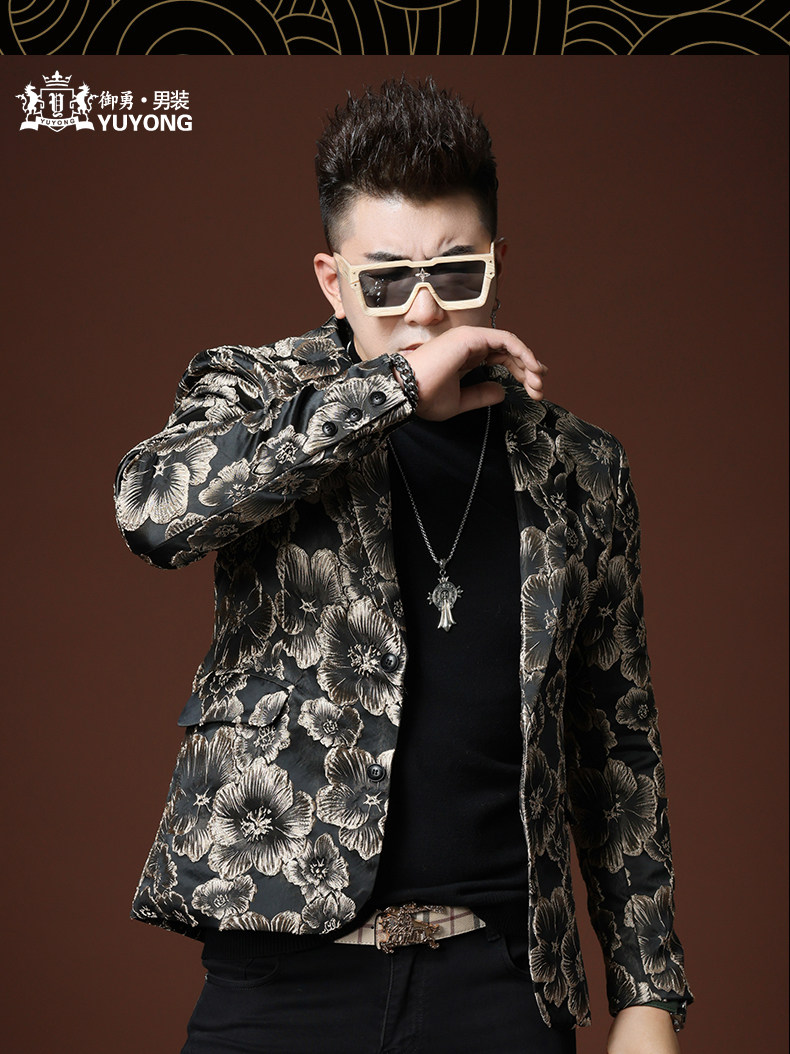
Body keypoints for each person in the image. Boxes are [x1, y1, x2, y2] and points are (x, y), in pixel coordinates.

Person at [114, 77, 693, 1054]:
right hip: (282, 978)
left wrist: (647, 994)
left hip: (496, 983)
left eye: (455, 275)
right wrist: (390, 389)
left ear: (497, 266)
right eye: (386, 281)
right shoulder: (260, 395)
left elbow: (615, 740)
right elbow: (152, 509)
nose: (424, 312)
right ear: (332, 280)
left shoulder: (579, 468)